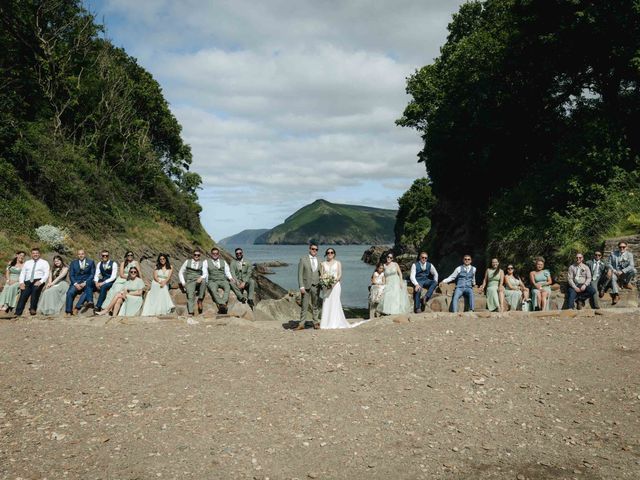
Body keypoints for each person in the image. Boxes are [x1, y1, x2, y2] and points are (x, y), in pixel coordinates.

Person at [15, 248, 50, 316]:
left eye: (36, 253)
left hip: (38, 280)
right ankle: (17, 313)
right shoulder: (27, 263)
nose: (35, 254)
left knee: (35, 290)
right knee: (23, 295)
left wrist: (41, 281)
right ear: (31, 254)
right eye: (33, 253)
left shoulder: (44, 262)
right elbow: (23, 273)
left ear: (39, 254)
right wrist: (21, 282)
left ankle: (32, 309)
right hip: (28, 281)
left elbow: (46, 273)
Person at [297, 243, 321, 330]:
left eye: (316, 249)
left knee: (315, 305)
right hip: (306, 286)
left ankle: (316, 323)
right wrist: (301, 286)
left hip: (316, 285)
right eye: (313, 249)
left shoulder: (320, 260)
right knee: (304, 306)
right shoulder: (303, 259)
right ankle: (301, 324)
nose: (314, 250)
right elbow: (299, 274)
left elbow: (321, 273)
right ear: (309, 249)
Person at [64, 249, 96, 315]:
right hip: (76, 282)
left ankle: (76, 308)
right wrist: (75, 284)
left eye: (82, 254)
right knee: (70, 293)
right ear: (77, 255)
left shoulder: (91, 262)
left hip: (86, 282)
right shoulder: (73, 263)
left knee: (87, 292)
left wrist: (85, 282)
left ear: (85, 254)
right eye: (79, 254)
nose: (81, 255)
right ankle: (68, 311)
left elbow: (92, 274)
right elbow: (71, 275)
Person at [203, 247, 233, 314]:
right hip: (212, 280)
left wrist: (230, 278)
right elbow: (205, 272)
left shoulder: (223, 262)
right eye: (213, 253)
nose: (215, 254)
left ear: (219, 254)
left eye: (216, 253)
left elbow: (227, 271)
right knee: (213, 289)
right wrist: (206, 281)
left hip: (222, 280)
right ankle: (222, 304)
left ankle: (222, 303)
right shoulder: (206, 262)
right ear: (211, 254)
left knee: (227, 287)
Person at [178, 249, 208, 316]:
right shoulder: (187, 262)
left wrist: (201, 277)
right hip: (190, 281)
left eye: (198, 255)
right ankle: (191, 312)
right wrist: (183, 283)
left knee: (204, 282)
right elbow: (180, 272)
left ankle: (200, 299)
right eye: (195, 255)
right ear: (193, 255)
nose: (196, 256)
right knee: (190, 295)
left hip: (198, 279)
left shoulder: (202, 263)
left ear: (200, 256)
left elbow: (205, 273)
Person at [608, 241, 636, 305]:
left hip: (624, 273)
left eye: (623, 247)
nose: (622, 248)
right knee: (612, 277)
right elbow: (609, 264)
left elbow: (631, 265)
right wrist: (614, 271)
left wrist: (623, 271)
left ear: (626, 247)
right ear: (618, 247)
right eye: (620, 247)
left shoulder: (629, 255)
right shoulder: (613, 254)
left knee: (634, 270)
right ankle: (616, 295)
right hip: (615, 272)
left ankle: (626, 283)